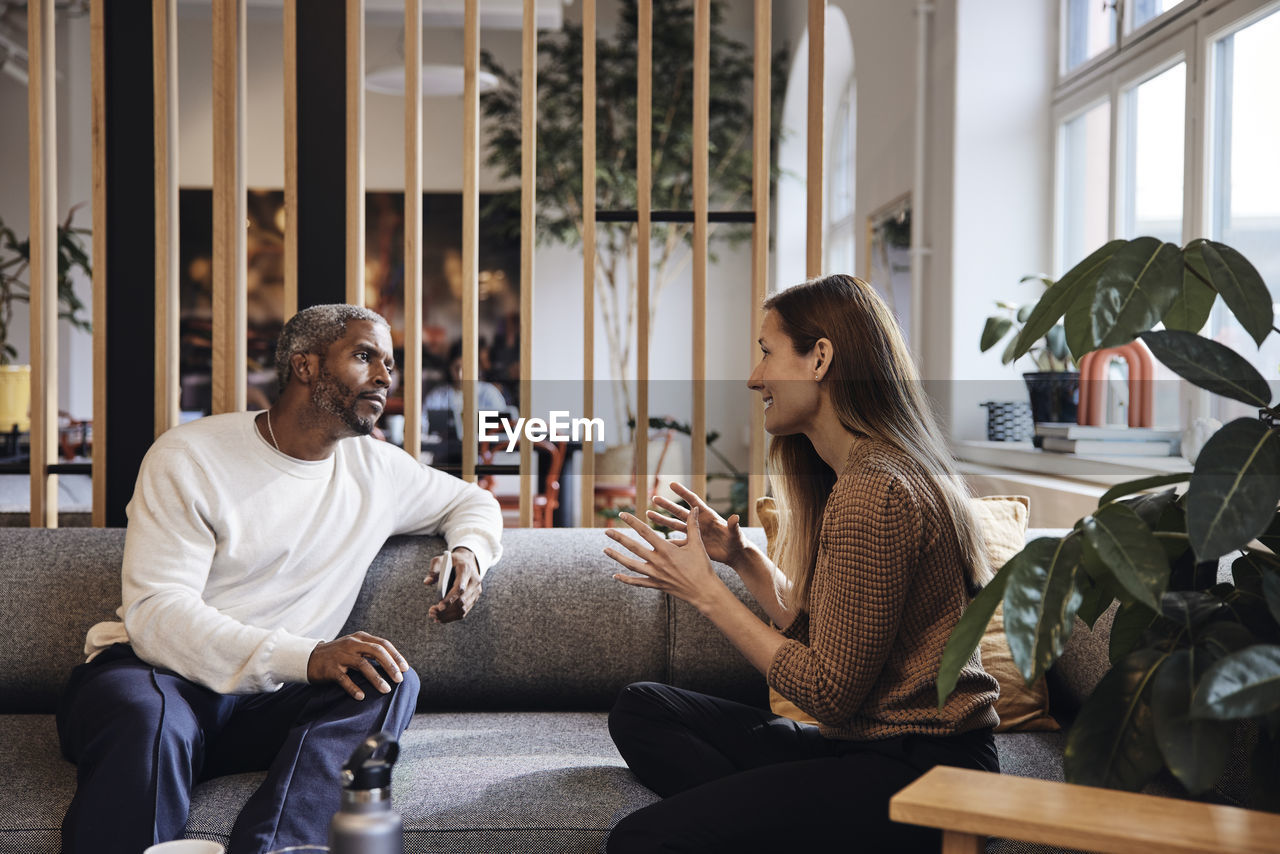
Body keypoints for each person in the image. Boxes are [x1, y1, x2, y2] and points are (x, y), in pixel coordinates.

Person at [57, 304, 503, 854]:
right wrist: (309, 656)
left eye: (390, 362)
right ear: (305, 366)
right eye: (365, 357)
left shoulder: (378, 468)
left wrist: (469, 551)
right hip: (160, 679)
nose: (386, 376)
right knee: (149, 720)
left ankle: (278, 848)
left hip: (269, 704)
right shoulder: (191, 455)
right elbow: (157, 614)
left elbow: (472, 501)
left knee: (388, 679)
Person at [601, 274, 1000, 852]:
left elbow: (829, 692)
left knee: (642, 840)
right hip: (869, 746)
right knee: (643, 709)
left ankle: (785, 818)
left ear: (820, 358)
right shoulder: (865, 475)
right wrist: (744, 562)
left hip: (923, 771)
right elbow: (840, 645)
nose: (754, 376)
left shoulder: (875, 491)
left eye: (767, 352)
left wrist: (706, 593)